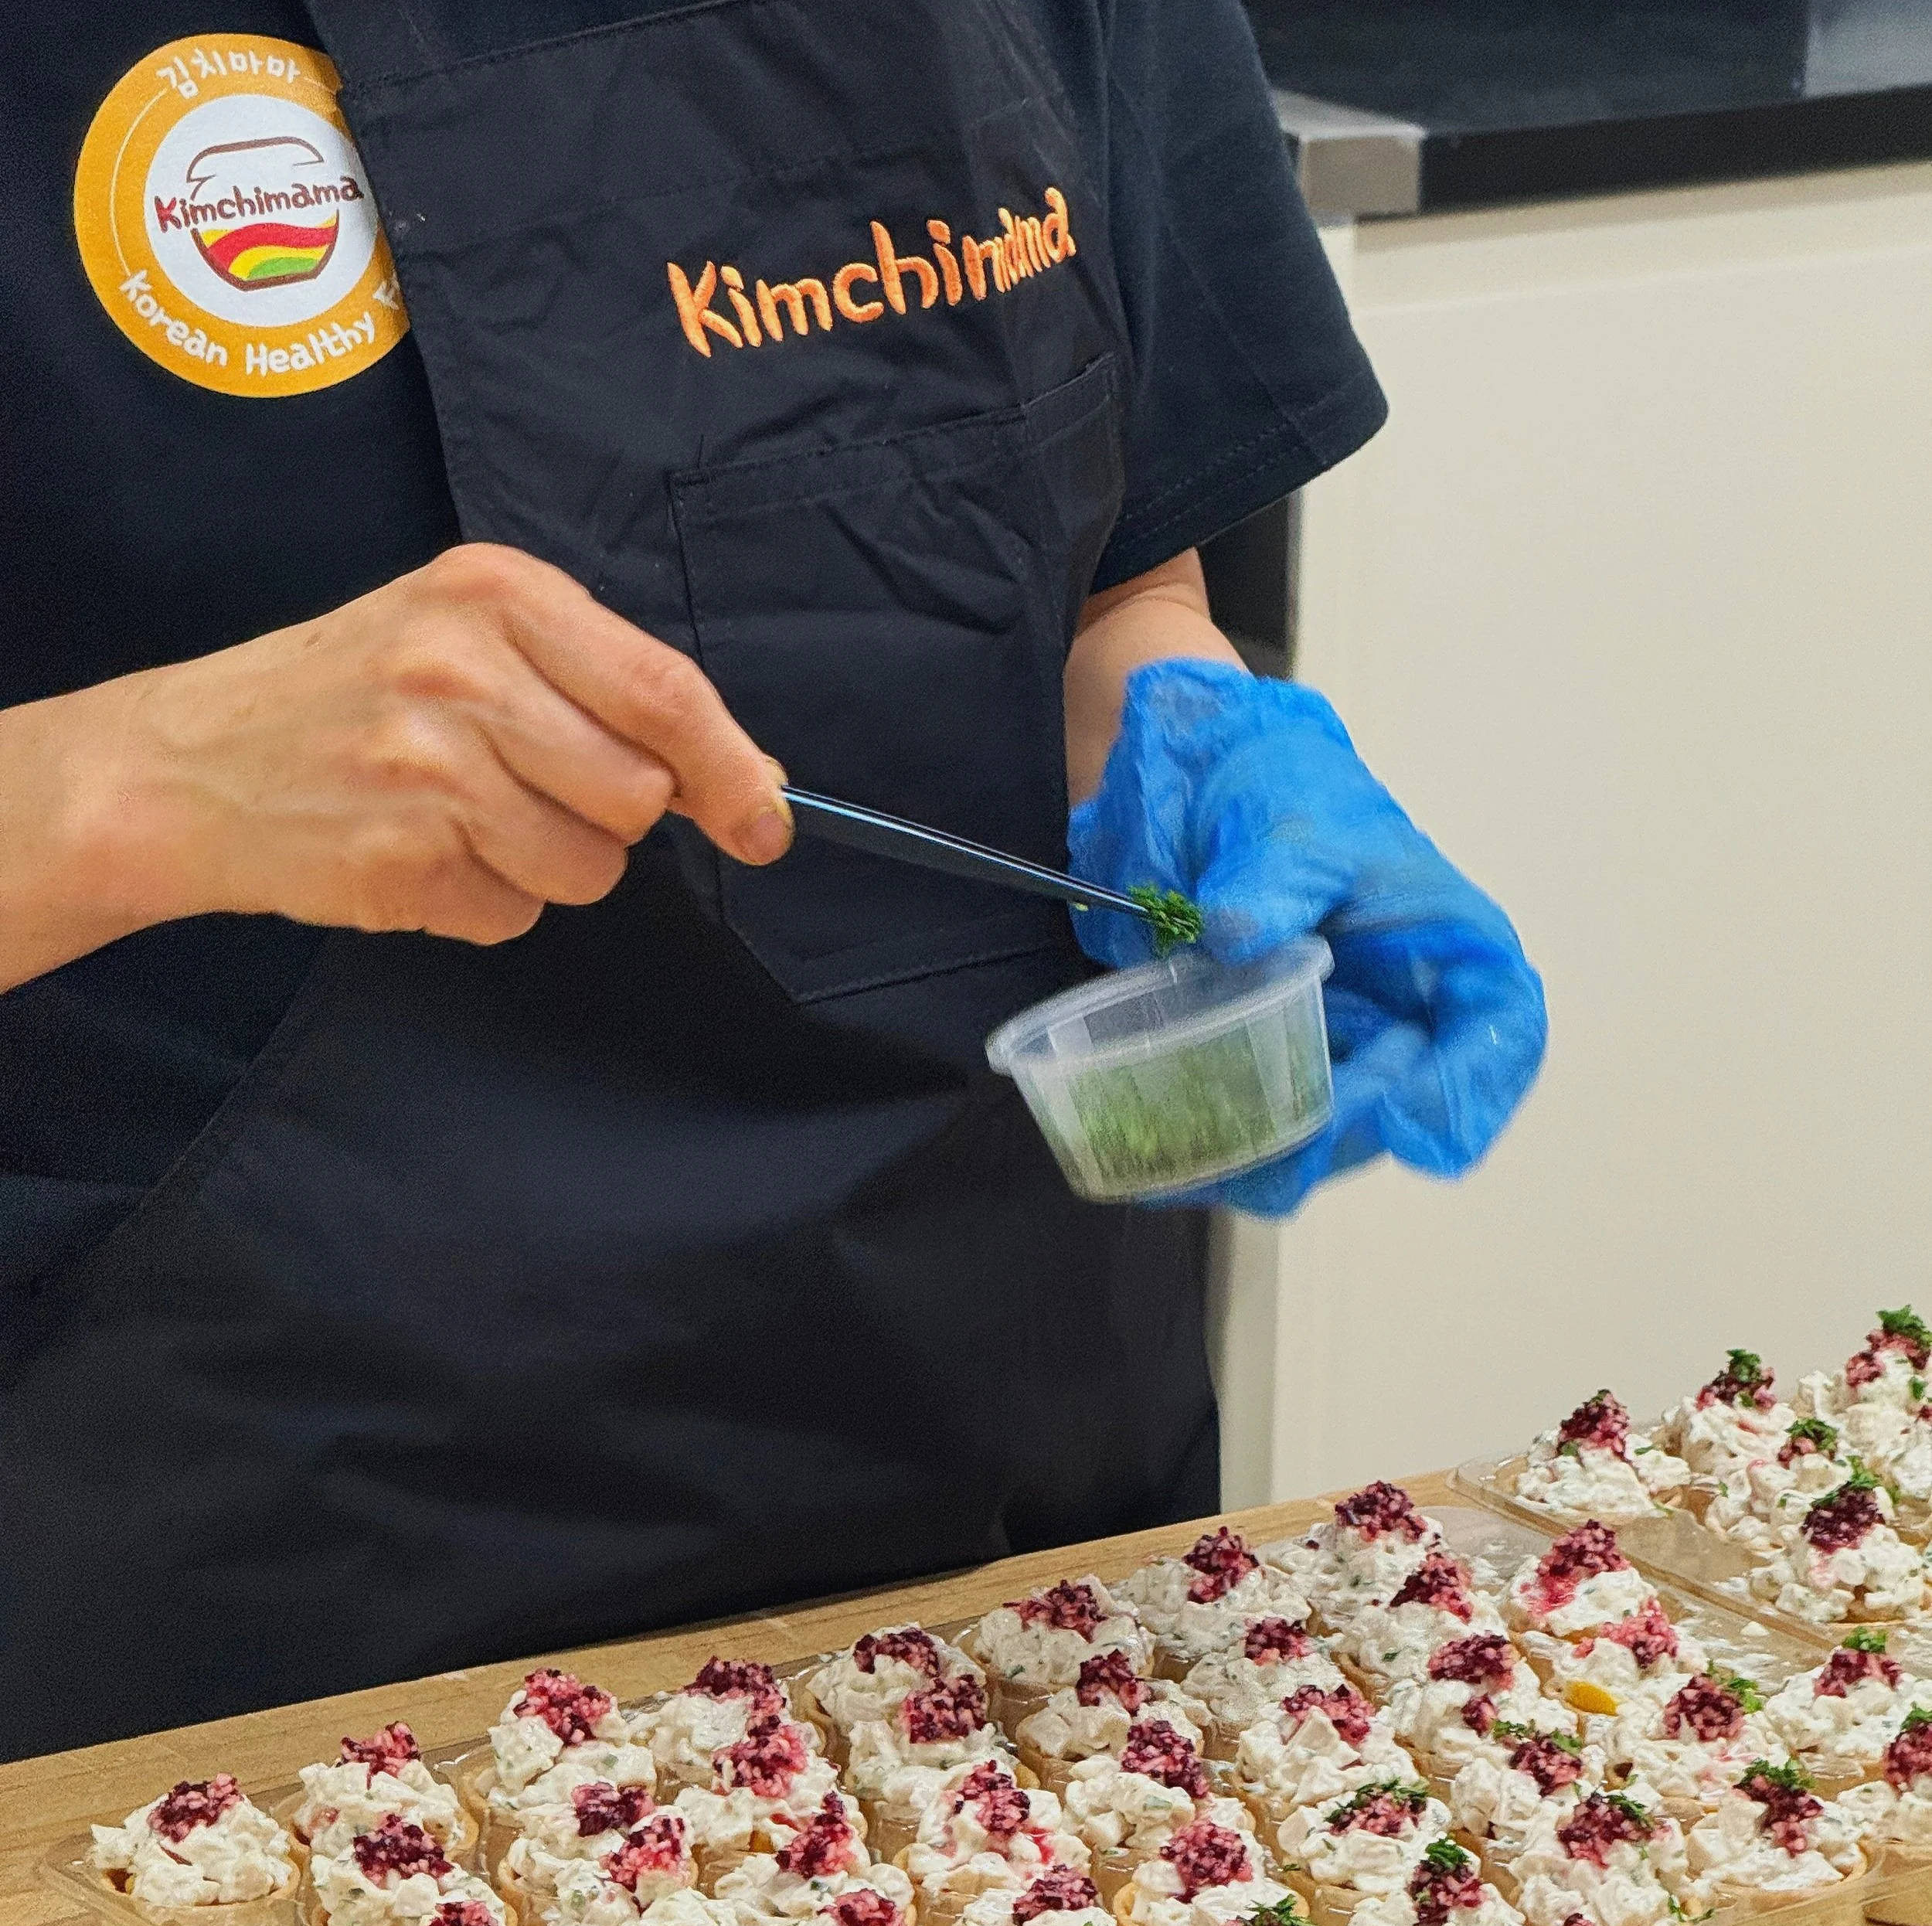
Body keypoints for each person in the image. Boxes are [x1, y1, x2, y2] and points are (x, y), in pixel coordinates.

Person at [0, 0, 1545, 1761]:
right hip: (252, 1606)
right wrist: (117, 785)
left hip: (1023, 1556)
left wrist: (1177, 722)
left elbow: (1101, 552)